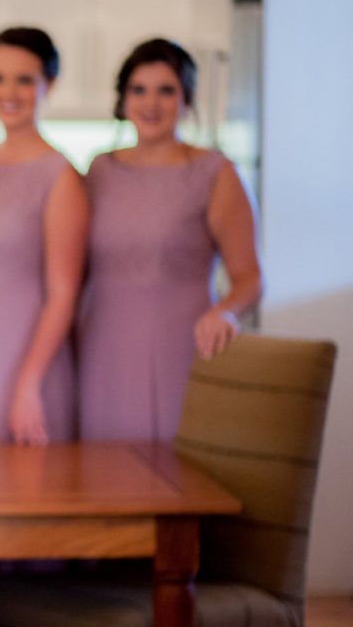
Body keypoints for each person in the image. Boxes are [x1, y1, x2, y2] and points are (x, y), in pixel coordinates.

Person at [78, 37, 262, 443]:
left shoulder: (216, 172)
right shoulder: (99, 171)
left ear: (186, 99)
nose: (151, 103)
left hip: (181, 344)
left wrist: (225, 313)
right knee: (100, 463)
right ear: (123, 99)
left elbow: (250, 278)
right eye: (139, 90)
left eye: (166, 90)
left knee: (173, 462)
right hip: (102, 347)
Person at [0, 27, 88, 446]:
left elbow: (64, 293)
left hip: (19, 351)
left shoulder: (60, 176)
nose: (8, 92)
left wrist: (29, 383)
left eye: (24, 80)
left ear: (49, 84)